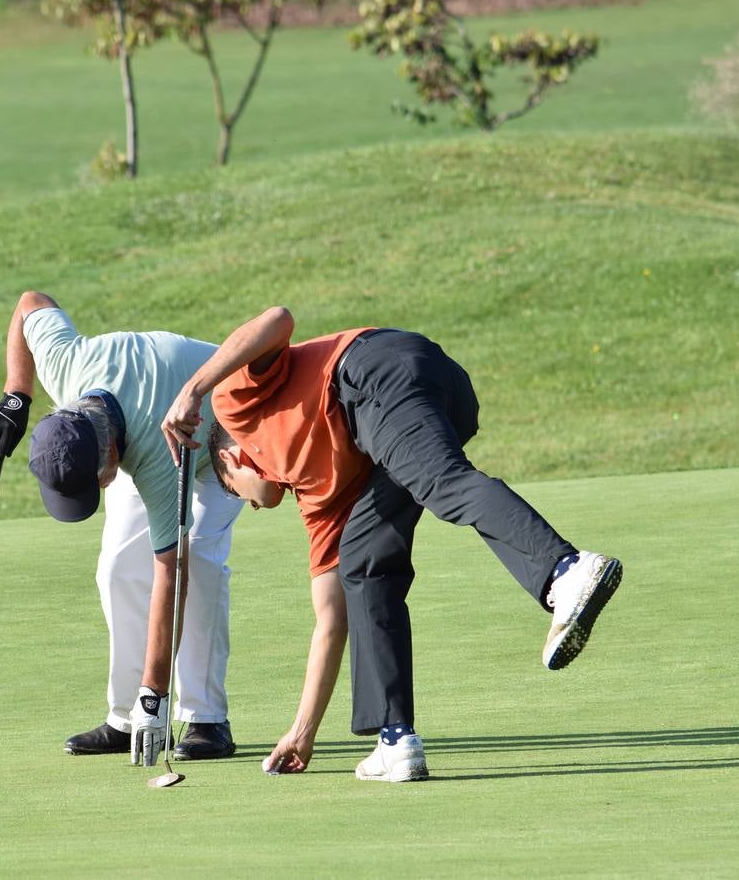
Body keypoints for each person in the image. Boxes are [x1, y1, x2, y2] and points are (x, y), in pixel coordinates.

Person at [155, 307, 624, 782]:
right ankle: (396, 739)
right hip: (409, 408)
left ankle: (566, 568)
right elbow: (331, 618)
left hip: (371, 370)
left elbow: (277, 320)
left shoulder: (235, 405)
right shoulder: (317, 500)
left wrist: (195, 390)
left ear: (231, 456)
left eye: (231, 490)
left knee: (442, 483)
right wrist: (302, 730)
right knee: (364, 562)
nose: (248, 506)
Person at [0, 291, 244, 763]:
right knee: (118, 569)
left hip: (223, 431)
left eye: (96, 481)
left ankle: (206, 719)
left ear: (109, 456)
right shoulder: (65, 368)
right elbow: (30, 304)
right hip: (139, 422)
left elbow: (172, 570)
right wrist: (15, 394)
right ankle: (128, 720)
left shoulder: (156, 458)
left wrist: (157, 691)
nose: (101, 487)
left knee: (200, 560)